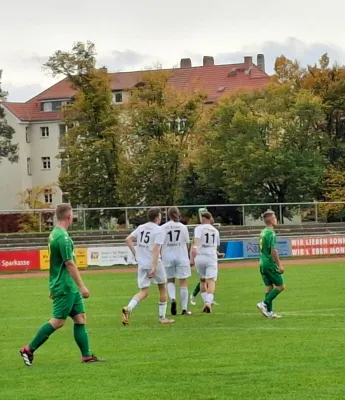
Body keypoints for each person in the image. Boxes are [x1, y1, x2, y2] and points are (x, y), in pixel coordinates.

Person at [20, 203, 103, 367]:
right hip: (66, 286)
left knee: (80, 318)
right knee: (58, 321)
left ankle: (86, 356)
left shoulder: (54, 234)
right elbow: (69, 263)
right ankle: (28, 349)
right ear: (69, 216)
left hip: (66, 285)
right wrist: (82, 286)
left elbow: (54, 263)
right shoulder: (62, 238)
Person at [122, 208, 174, 325]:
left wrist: (136, 253)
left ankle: (128, 308)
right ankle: (162, 318)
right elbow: (156, 248)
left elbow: (128, 239)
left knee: (144, 291)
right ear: (157, 217)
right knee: (162, 287)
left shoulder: (141, 227)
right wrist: (154, 266)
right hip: (153, 263)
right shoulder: (159, 230)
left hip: (142, 263)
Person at [161, 207, 192, 316]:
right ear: (178, 214)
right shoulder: (183, 227)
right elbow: (188, 243)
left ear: (168, 215)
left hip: (167, 256)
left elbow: (159, 243)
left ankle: (173, 299)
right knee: (183, 281)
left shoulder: (163, 227)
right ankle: (184, 309)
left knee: (170, 280)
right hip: (181, 256)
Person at [190, 212, 222, 313]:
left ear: (202, 219)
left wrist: (194, 248)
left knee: (202, 280)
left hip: (200, 256)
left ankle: (205, 302)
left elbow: (197, 240)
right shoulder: (215, 231)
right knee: (211, 281)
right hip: (211, 256)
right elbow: (215, 246)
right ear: (210, 218)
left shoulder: (199, 228)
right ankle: (208, 302)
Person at [257, 210, 285, 319]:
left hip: (262, 263)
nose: (276, 219)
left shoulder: (263, 232)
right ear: (271, 220)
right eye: (274, 217)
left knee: (269, 286)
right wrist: (279, 265)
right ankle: (263, 303)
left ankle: (269, 312)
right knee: (281, 286)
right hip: (269, 263)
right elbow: (273, 250)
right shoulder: (271, 233)